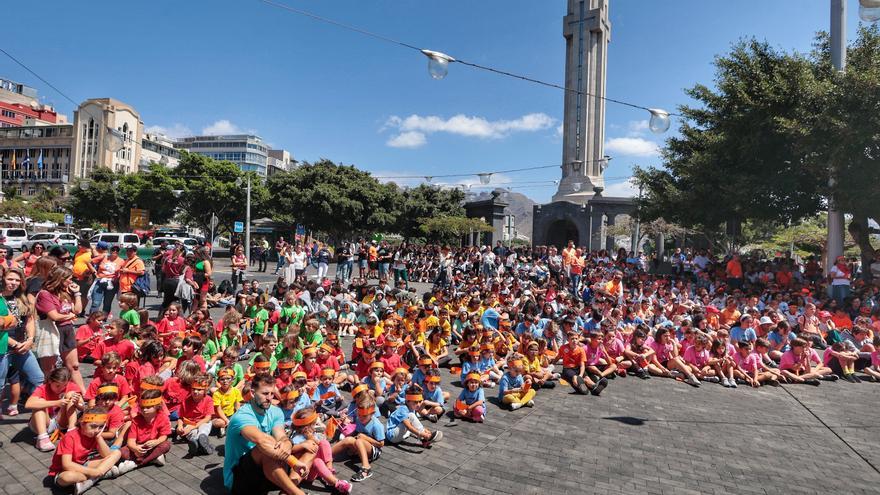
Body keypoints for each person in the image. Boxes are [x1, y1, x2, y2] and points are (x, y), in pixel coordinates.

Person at [223, 373, 310, 495]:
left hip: (266, 470)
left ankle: (287, 491)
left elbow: (282, 437)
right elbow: (261, 441)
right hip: (240, 478)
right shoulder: (242, 416)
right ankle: (297, 493)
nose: (269, 398)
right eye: (264, 394)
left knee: (310, 447)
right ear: (253, 393)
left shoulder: (275, 411)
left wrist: (286, 443)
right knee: (264, 448)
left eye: (272, 394)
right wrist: (293, 462)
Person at [48, 405, 123, 494]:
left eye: (101, 427)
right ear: (82, 423)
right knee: (68, 477)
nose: (97, 430)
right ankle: (99, 475)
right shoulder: (70, 437)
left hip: (83, 465)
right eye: (93, 426)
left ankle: (92, 479)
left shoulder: (94, 435)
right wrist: (93, 472)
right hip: (63, 472)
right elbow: (67, 465)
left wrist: (99, 438)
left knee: (116, 453)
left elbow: (106, 455)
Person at [34, 266, 85, 391]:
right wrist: (70, 316)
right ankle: (49, 395)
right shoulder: (45, 294)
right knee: (50, 369)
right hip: (52, 331)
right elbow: (54, 316)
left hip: (67, 330)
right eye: (68, 279)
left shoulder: (65, 292)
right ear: (60, 279)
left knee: (74, 366)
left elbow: (78, 310)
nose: (71, 281)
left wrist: (77, 293)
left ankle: (84, 394)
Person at [89, 245, 124, 314]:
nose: (115, 251)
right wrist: (94, 271)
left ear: (119, 252)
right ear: (110, 250)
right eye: (113, 249)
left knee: (107, 304)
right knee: (96, 302)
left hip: (112, 284)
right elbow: (89, 262)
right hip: (100, 282)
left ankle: (103, 320)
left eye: (117, 250)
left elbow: (122, 272)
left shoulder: (121, 261)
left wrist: (117, 279)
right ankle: (92, 319)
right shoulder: (104, 257)